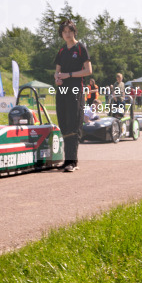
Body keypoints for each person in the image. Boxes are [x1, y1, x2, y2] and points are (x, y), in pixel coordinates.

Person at [53, 19, 92, 173]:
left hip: (76, 89)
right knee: (63, 122)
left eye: (70, 31)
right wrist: (57, 77)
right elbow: (57, 70)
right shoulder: (62, 50)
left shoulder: (81, 48)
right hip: (62, 90)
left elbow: (88, 71)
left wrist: (69, 75)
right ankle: (66, 160)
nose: (67, 34)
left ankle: (73, 161)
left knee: (73, 123)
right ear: (61, 34)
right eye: (64, 32)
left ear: (74, 32)